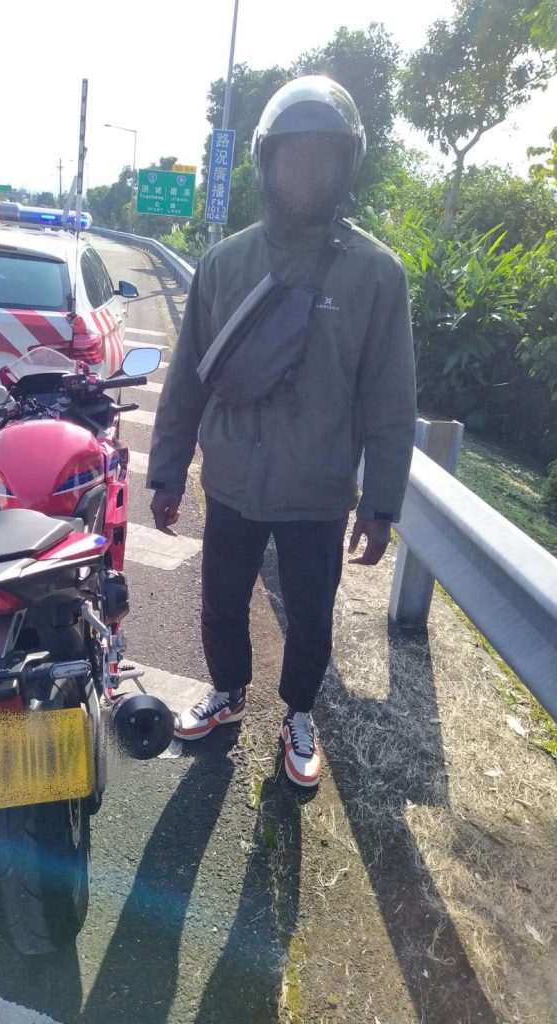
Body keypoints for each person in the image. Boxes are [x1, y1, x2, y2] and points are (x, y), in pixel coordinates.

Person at [146, 76, 417, 788]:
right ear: (266, 161)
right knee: (221, 601)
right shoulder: (225, 262)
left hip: (318, 492)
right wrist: (167, 471)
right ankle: (228, 692)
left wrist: (381, 505)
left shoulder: (376, 276)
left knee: (311, 618)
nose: (307, 172)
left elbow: (391, 401)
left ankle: (298, 714)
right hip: (231, 479)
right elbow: (187, 378)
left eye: (323, 157)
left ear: (347, 164)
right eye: (294, 156)